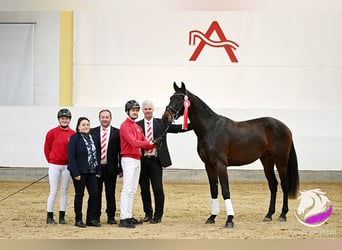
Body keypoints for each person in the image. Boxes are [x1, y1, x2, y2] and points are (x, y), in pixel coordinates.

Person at [137, 100, 192, 224]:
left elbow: (177, 129)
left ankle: (158, 215)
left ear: (153, 110)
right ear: (143, 111)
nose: (148, 111)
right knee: (144, 189)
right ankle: (148, 213)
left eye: (149, 109)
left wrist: (193, 125)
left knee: (158, 188)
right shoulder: (137, 125)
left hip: (156, 160)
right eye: (145, 109)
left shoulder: (161, 123)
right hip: (142, 161)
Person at [119, 100, 158, 228]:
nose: (135, 112)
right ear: (128, 111)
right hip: (128, 158)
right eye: (133, 110)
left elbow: (145, 142)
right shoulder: (125, 126)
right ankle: (123, 217)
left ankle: (128, 215)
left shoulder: (137, 127)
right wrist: (151, 143)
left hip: (136, 159)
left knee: (133, 189)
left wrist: (154, 143)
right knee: (127, 189)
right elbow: (135, 143)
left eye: (136, 110)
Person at [68, 117, 101, 228]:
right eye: (83, 125)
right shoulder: (74, 138)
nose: (86, 126)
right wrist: (75, 173)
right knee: (80, 194)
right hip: (80, 172)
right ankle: (78, 219)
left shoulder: (94, 138)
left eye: (87, 124)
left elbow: (98, 155)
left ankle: (90, 219)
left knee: (94, 194)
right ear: (78, 126)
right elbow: (71, 157)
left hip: (92, 171)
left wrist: (98, 170)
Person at [90, 109, 122, 225]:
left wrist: (121, 168)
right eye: (102, 117)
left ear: (110, 118)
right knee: (96, 193)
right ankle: (96, 215)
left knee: (110, 193)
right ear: (99, 119)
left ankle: (111, 216)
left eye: (107, 117)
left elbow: (120, 152)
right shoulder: (92, 132)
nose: (104, 119)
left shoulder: (117, 132)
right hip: (96, 169)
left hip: (111, 168)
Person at [44, 108, 75, 225]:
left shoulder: (73, 134)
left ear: (69, 120)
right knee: (53, 191)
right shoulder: (51, 133)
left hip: (67, 166)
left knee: (65, 191)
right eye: (62, 118)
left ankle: (62, 216)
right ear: (59, 119)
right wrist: (52, 161)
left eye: (66, 118)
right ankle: (49, 215)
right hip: (55, 166)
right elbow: (47, 149)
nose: (64, 120)